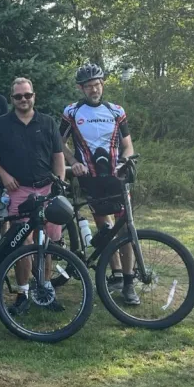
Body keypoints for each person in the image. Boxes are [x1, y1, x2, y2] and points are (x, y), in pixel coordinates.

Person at [0, 77, 66, 315]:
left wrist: (59, 183)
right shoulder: (1, 124)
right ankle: (23, 293)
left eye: (27, 95)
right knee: (23, 243)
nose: (23, 100)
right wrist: (4, 175)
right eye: (18, 96)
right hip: (18, 190)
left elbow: (58, 156)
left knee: (46, 243)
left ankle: (45, 290)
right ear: (12, 99)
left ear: (33, 96)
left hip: (46, 189)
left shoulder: (48, 122)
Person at [61, 63, 139, 305]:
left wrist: (125, 161)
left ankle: (129, 282)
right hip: (91, 180)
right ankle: (116, 275)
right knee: (106, 229)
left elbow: (128, 145)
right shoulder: (72, 112)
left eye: (97, 85)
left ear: (102, 84)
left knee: (125, 230)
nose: (94, 90)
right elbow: (58, 142)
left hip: (117, 178)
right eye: (88, 86)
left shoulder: (116, 111)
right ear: (81, 88)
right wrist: (73, 162)